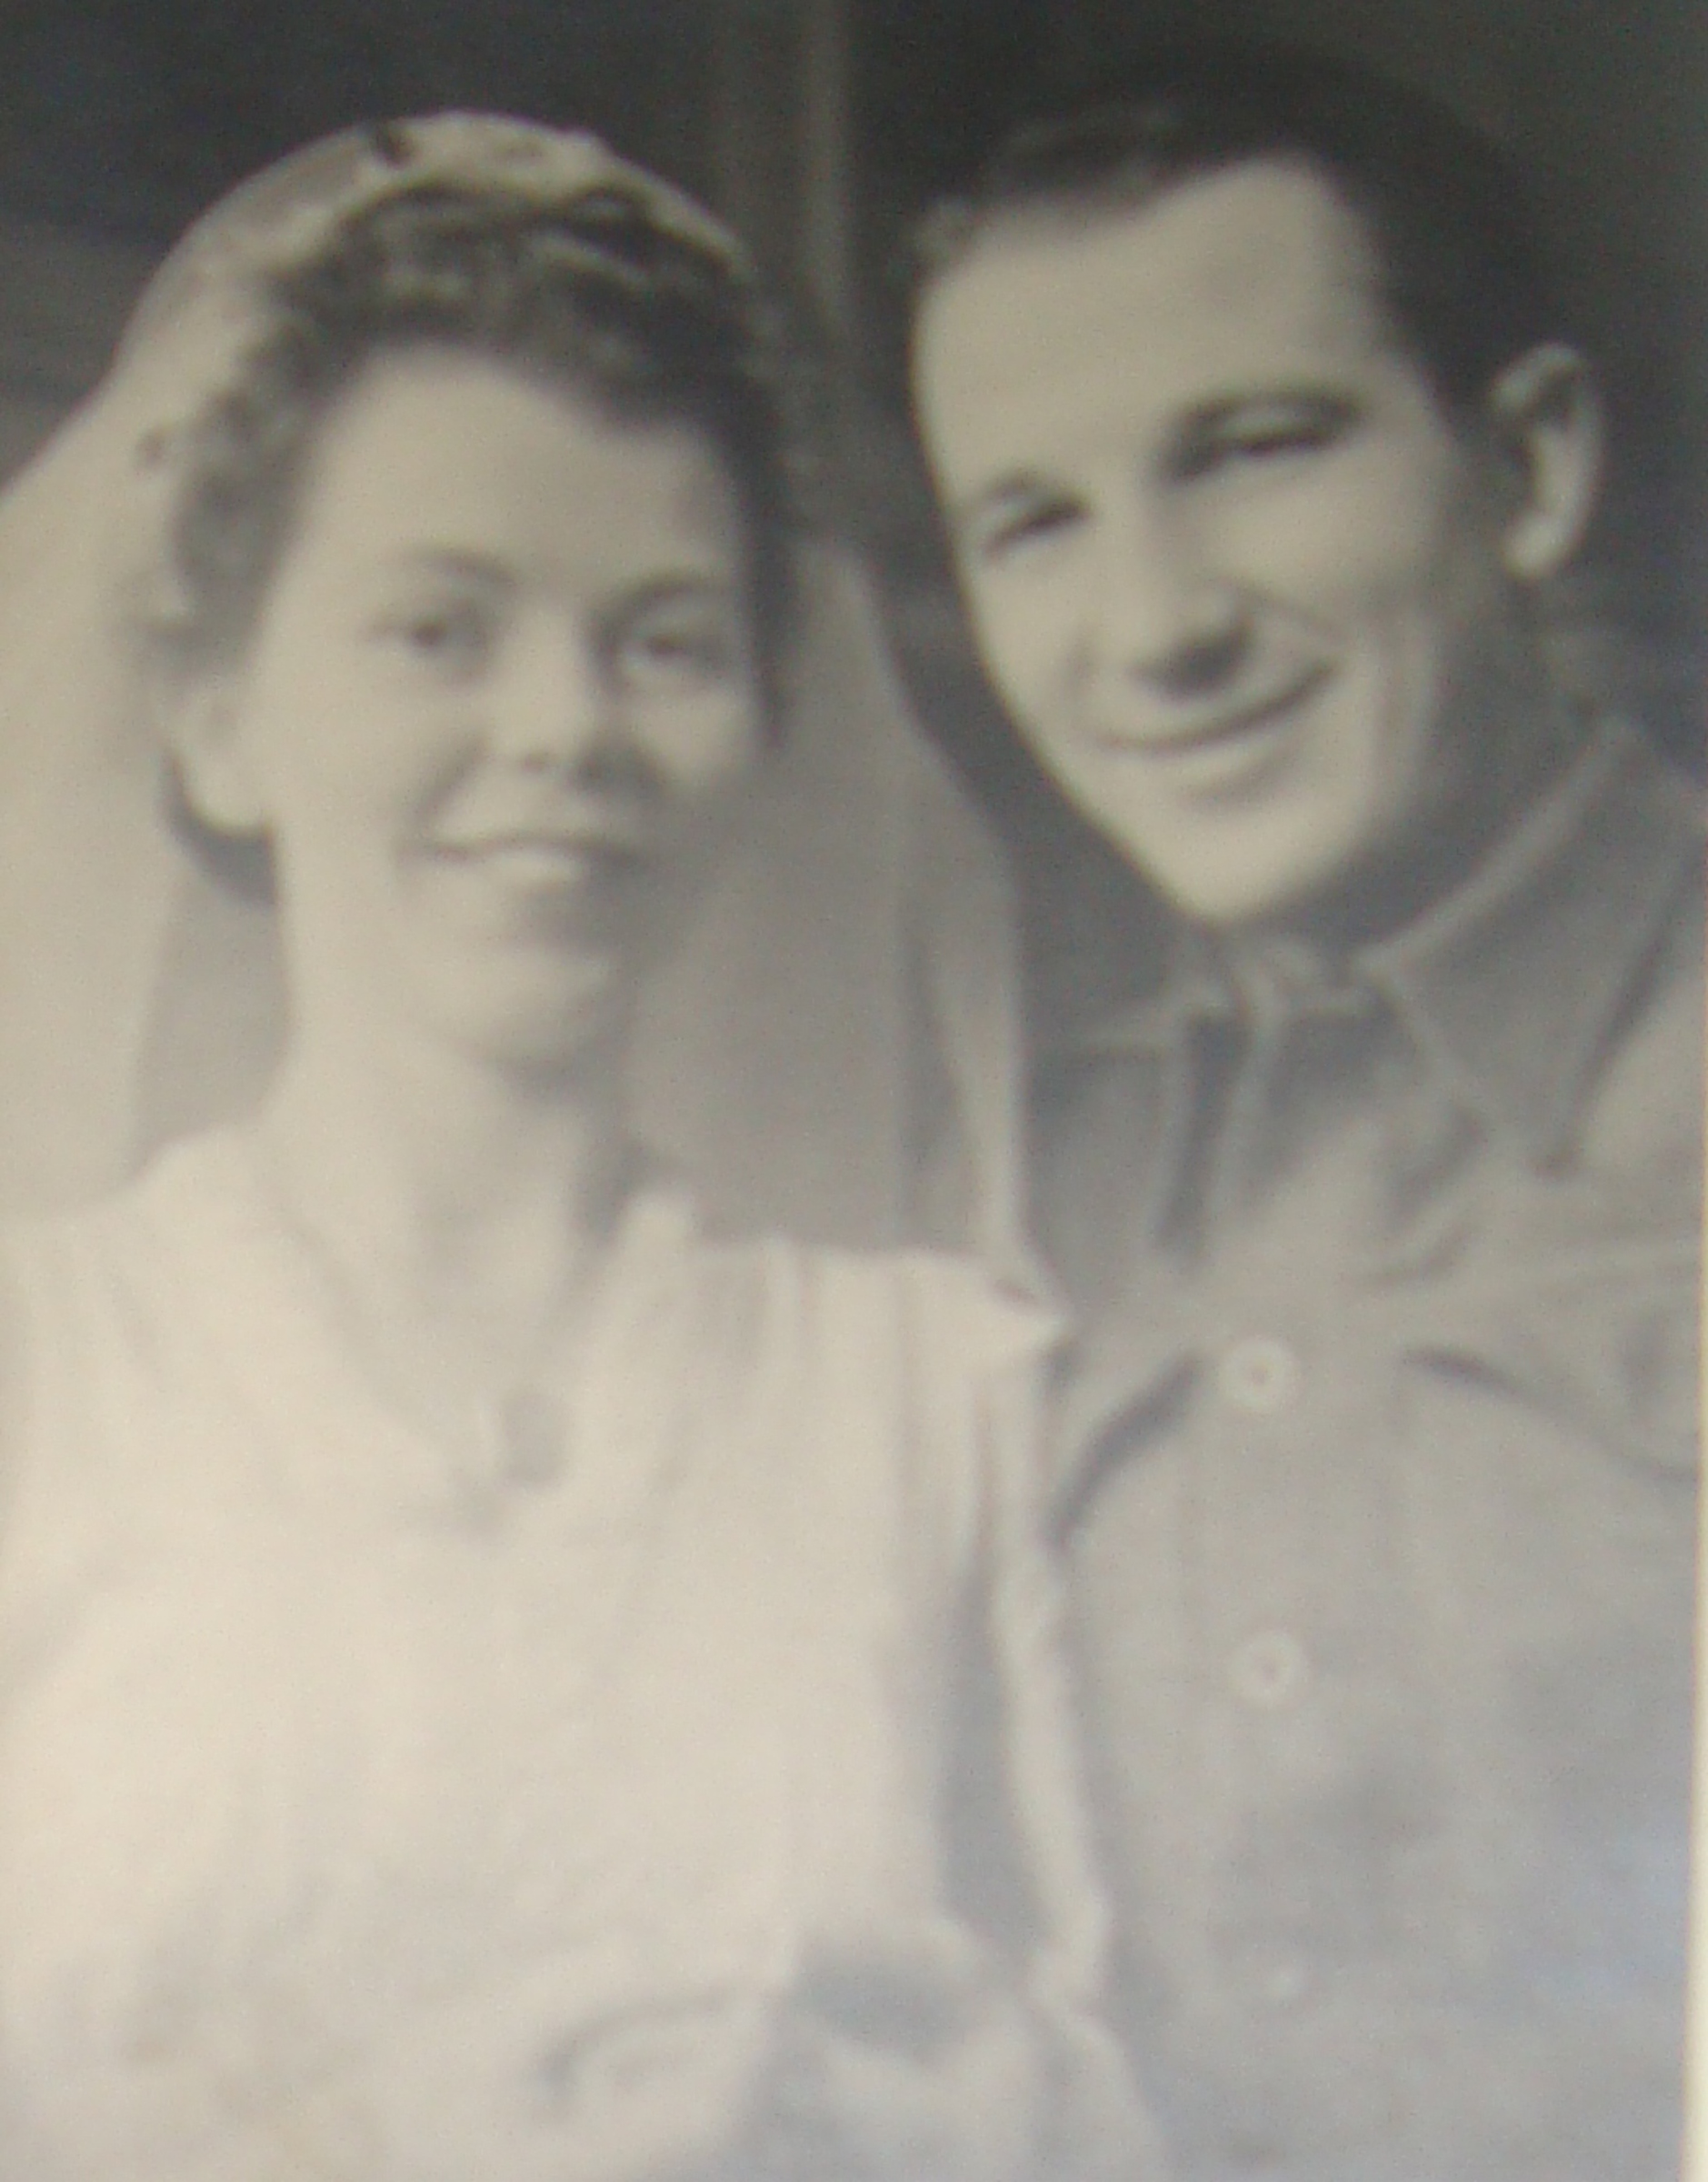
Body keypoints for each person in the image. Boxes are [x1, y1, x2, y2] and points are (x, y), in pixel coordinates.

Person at [0, 115, 1149, 2182]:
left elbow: (1131, 2077)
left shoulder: (939, 1397)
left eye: (666, 640)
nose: (563, 730)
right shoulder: (42, 1375)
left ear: (770, 726)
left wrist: (986, 2125)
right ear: (221, 718)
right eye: (438, 629)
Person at [907, 45, 1703, 2182]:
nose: (1153, 628)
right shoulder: (1010, 1189)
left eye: (1254, 451)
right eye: (1035, 524)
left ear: (1526, 466)